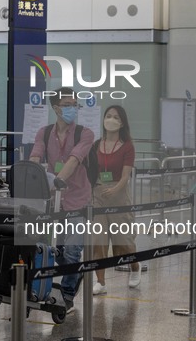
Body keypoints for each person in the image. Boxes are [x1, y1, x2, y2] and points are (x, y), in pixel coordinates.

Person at [29, 87, 94, 313]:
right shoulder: (44, 133)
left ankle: (67, 293)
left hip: (78, 199)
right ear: (56, 108)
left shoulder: (85, 133)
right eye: (67, 105)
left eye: (74, 105)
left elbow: (75, 160)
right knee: (52, 250)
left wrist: (58, 180)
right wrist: (33, 172)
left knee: (72, 251)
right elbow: (36, 156)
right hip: (53, 202)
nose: (72, 109)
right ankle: (75, 273)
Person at [91, 105, 140, 295]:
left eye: (116, 117)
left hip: (119, 196)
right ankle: (100, 281)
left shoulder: (127, 146)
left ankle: (134, 268)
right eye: (108, 116)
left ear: (122, 123)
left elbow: (126, 176)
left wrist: (114, 189)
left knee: (124, 242)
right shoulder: (96, 145)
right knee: (98, 241)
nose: (111, 120)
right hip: (98, 196)